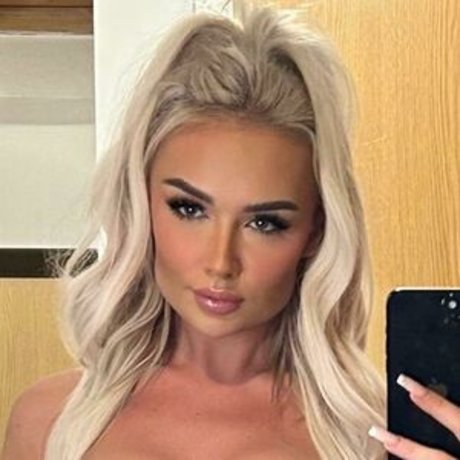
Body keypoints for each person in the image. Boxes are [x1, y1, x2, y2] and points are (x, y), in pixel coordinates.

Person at [2, 5, 459, 460]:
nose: (221, 263)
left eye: (265, 223)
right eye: (189, 209)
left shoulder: (375, 437)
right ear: (140, 203)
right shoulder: (48, 422)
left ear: (316, 232)